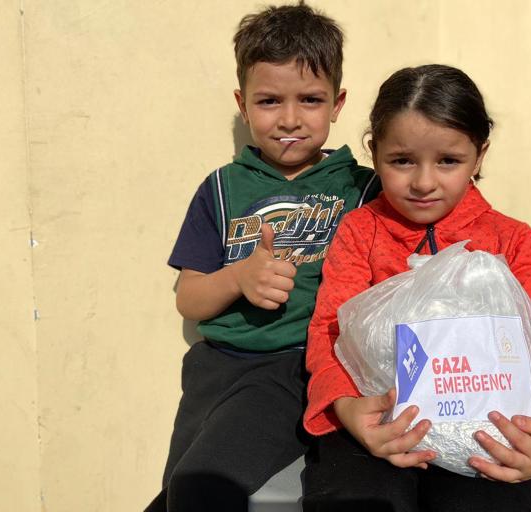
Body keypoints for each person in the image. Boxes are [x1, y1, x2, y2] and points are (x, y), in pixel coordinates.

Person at [302, 64, 531, 512]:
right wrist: (345, 407)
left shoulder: (511, 241)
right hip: (380, 427)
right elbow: (328, 333)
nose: (422, 182)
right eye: (401, 161)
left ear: (480, 156)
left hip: (486, 433)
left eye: (448, 161)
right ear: (373, 151)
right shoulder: (361, 232)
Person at [145, 3, 380, 511]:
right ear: (243, 103)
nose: (290, 119)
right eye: (270, 100)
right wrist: (238, 277)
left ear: (338, 103)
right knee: (177, 495)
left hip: (296, 369)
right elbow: (190, 299)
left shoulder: (363, 188)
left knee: (200, 490)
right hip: (215, 370)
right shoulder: (220, 189)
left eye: (311, 100)